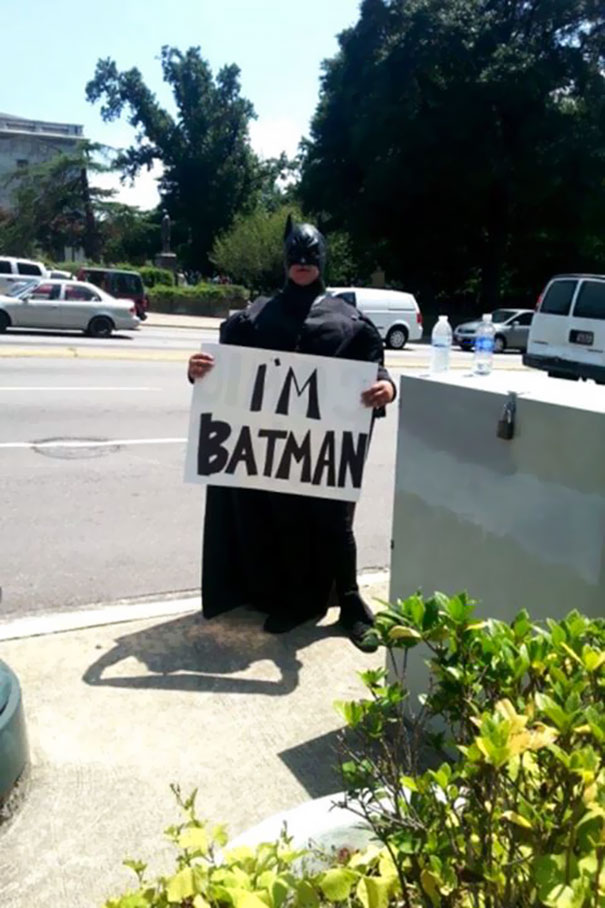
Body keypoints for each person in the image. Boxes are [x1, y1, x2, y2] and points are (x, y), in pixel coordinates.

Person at [187, 216, 396, 652]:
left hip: (327, 447)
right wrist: (200, 372)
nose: (303, 264)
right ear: (285, 261)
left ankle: (352, 603)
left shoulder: (349, 321)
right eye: (295, 258)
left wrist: (387, 387)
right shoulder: (256, 316)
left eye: (310, 257)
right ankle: (299, 601)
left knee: (337, 524)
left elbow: (376, 367)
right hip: (273, 449)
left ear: (322, 260)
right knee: (283, 523)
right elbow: (225, 371)